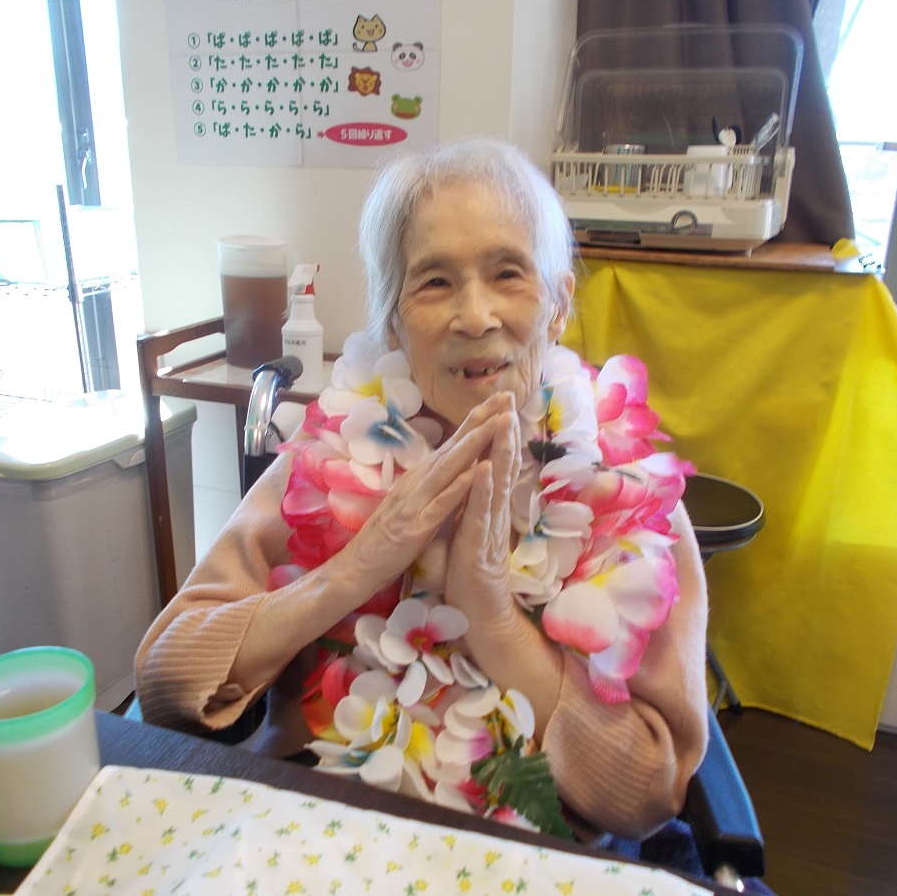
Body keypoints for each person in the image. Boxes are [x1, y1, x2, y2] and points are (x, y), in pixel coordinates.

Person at [135, 137, 709, 846]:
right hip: (319, 838)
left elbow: (649, 792)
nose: (475, 316)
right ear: (392, 323)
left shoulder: (632, 499)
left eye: (508, 273)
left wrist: (493, 622)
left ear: (558, 304)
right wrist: (358, 567)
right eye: (434, 282)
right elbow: (165, 684)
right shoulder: (329, 458)